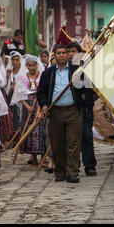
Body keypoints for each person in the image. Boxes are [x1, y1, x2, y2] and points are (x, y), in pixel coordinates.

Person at [37, 44, 85, 183]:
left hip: (73, 111)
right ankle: (60, 171)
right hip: (55, 112)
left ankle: (72, 173)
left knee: (73, 144)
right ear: (55, 56)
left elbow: (87, 89)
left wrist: (82, 104)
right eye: (59, 53)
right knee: (57, 143)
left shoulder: (77, 71)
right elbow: (41, 92)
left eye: (64, 53)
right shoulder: (48, 73)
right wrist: (44, 105)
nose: (62, 55)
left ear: (68, 55)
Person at [67, 41, 98, 177]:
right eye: (69, 52)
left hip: (84, 108)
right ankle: (70, 166)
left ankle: (89, 165)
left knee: (86, 137)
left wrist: (88, 101)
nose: (71, 54)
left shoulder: (86, 69)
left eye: (74, 51)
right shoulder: (62, 70)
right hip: (68, 108)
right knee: (69, 139)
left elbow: (93, 89)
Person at [10, 55, 46, 166]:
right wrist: (27, 106)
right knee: (29, 131)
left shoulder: (42, 76)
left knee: (41, 130)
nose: (32, 67)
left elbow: (44, 90)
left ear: (37, 65)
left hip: (40, 103)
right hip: (28, 107)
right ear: (26, 66)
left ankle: (43, 156)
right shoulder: (22, 78)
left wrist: (40, 105)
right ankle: (33, 156)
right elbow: (19, 94)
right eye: (29, 65)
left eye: (34, 65)